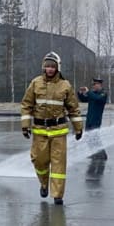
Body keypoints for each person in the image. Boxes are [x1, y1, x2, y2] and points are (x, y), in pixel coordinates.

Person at [20, 51, 83, 205]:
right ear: (44, 67)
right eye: (47, 66)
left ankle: (57, 195)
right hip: (40, 131)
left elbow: (73, 108)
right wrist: (25, 126)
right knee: (39, 161)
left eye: (52, 66)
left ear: (57, 68)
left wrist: (78, 128)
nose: (49, 69)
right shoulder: (35, 83)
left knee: (58, 164)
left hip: (59, 131)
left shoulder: (65, 85)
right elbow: (26, 105)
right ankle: (43, 183)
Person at [77, 77, 108, 160]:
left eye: (95, 84)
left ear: (100, 84)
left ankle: (103, 155)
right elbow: (84, 99)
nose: (93, 86)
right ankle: (94, 153)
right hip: (89, 119)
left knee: (95, 138)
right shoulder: (93, 93)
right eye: (93, 84)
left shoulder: (103, 93)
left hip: (96, 120)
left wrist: (88, 92)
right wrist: (80, 93)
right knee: (88, 137)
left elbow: (98, 98)